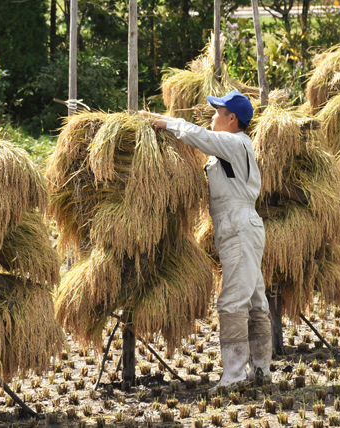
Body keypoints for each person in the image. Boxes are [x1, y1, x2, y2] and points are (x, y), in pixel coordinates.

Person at [140, 90, 271, 391]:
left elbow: (200, 136)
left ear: (232, 118)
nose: (213, 117)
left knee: (233, 300)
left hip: (238, 226)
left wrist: (167, 123)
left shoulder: (233, 143)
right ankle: (261, 371)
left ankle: (235, 375)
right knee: (253, 299)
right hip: (243, 225)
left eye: (217, 112)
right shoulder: (234, 147)